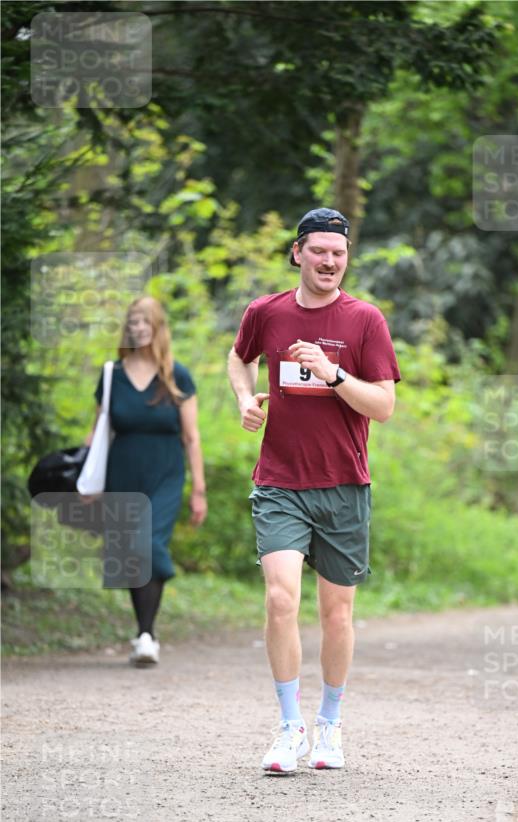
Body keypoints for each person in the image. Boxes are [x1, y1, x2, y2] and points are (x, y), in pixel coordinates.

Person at [228, 207, 400, 773]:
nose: (330, 262)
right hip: (280, 481)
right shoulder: (266, 312)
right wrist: (245, 399)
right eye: (320, 251)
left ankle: (329, 725)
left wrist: (333, 373)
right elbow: (239, 357)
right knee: (280, 599)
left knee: (336, 614)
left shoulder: (365, 321)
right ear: (297, 252)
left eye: (340, 253)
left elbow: (385, 406)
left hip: (344, 485)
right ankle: (287, 727)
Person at [87, 296, 207, 665]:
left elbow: (191, 436)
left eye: (144, 321)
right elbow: (97, 434)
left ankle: (146, 634)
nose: (137, 327)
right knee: (130, 554)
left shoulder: (177, 375)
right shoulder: (112, 375)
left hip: (166, 472)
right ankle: (145, 634)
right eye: (132, 321)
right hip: (122, 470)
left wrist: (199, 489)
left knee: (149, 542)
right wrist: (85, 482)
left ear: (158, 327)